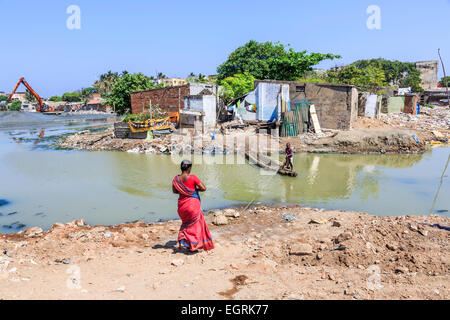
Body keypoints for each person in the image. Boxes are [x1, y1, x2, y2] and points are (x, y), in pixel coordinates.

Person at [172, 160, 214, 252]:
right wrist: (194, 189)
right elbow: (203, 188)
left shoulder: (176, 179)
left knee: (186, 224)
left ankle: (184, 241)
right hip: (192, 206)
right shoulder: (193, 177)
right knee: (195, 226)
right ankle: (193, 245)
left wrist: (184, 192)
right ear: (189, 168)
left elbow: (174, 191)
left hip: (182, 206)